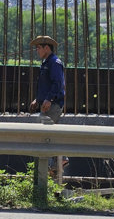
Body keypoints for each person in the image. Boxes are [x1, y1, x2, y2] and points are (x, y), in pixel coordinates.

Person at [28, 35, 68, 174]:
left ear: (46, 47)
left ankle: (56, 162)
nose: (37, 51)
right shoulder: (46, 63)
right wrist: (38, 100)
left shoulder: (54, 62)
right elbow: (47, 85)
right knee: (46, 135)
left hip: (53, 105)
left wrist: (49, 99)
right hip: (48, 104)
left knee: (46, 136)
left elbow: (57, 84)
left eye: (38, 48)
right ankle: (56, 163)